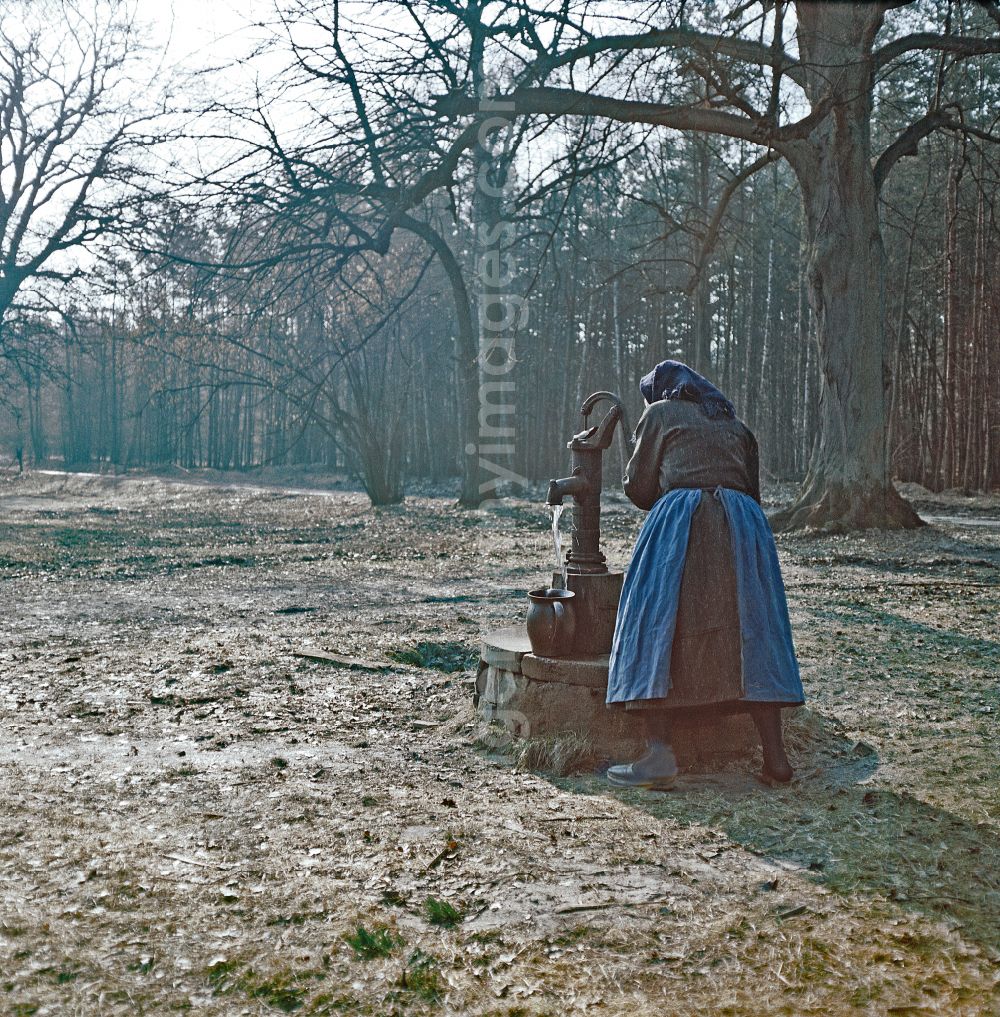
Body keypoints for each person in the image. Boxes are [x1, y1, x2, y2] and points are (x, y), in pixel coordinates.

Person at [606, 360, 804, 790]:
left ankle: (659, 754)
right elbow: (751, 490)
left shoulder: (658, 414)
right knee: (753, 631)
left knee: (652, 620)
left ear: (664, 393)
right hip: (743, 528)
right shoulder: (736, 425)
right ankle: (777, 759)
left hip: (683, 524)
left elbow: (639, 489)